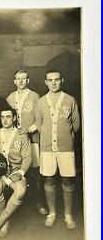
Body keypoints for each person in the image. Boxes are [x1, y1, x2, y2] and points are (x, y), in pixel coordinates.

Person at [36, 69, 80, 229]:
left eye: (56, 79)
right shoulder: (41, 102)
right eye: (50, 80)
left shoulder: (70, 100)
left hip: (65, 148)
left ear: (62, 81)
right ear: (46, 82)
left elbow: (76, 125)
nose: (53, 83)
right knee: (48, 179)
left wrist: (64, 136)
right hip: (47, 148)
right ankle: (52, 213)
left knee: (67, 179)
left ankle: (68, 215)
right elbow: (40, 125)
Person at [0, 106, 31, 238]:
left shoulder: (22, 135)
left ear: (14, 118)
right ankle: (6, 222)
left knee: (20, 191)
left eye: (8, 116)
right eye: (2, 117)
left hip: (15, 171)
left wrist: (21, 172)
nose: (5, 120)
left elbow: (27, 158)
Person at [7, 69, 47, 215]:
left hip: (32, 139)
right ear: (14, 81)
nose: (21, 81)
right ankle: (19, 204)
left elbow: (40, 120)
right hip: (16, 141)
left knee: (35, 172)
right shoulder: (10, 97)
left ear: (28, 80)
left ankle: (38, 202)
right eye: (18, 78)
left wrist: (29, 130)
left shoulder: (35, 96)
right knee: (17, 170)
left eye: (23, 78)